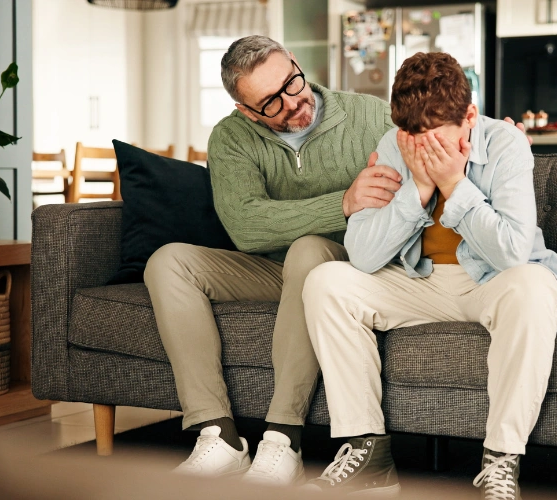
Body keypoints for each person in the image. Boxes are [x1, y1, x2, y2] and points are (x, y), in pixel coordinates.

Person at [300, 52, 557, 499]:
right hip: (419, 284)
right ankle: (368, 453)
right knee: (326, 282)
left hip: (493, 283)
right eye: (413, 137)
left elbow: (512, 252)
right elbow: (364, 255)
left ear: (469, 117)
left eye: (434, 139)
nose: (420, 149)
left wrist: (454, 185)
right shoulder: (395, 144)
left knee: (533, 287)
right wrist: (417, 190)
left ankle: (500, 461)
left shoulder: (506, 143)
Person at [143, 35, 402, 485]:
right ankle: (217, 435)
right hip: (270, 268)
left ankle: (283, 440)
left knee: (307, 249)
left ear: (296, 64)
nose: (291, 102)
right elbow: (245, 226)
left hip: (349, 265)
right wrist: (342, 202)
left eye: (292, 83)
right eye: (270, 103)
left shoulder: (372, 115)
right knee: (167, 262)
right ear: (246, 110)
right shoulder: (230, 137)